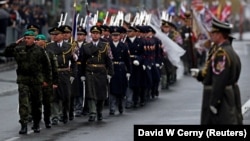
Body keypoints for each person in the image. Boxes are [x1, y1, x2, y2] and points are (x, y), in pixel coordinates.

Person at [190, 18, 243, 125]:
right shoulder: (229, 51)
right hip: (228, 94)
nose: (211, 35)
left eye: (213, 33)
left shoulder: (221, 54)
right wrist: (200, 75)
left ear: (219, 34)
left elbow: (219, 80)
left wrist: (214, 102)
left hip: (222, 97)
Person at [4, 30, 52, 134]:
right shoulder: (19, 49)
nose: (27, 40)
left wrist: (47, 81)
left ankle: (36, 123)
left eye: (29, 38)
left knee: (36, 103)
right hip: (23, 80)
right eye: (25, 38)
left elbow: (47, 67)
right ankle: (24, 124)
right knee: (23, 103)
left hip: (36, 80)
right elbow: (6, 53)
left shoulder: (39, 51)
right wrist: (15, 43)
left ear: (34, 39)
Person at [80, 25, 114, 122]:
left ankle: (99, 111)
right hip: (90, 71)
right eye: (93, 33)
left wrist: (110, 73)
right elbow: (83, 61)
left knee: (101, 94)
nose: (95, 35)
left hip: (101, 71)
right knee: (90, 93)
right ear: (91, 34)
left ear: (100, 34)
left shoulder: (105, 46)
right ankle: (92, 113)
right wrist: (82, 74)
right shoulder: (86, 46)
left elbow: (109, 60)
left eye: (97, 33)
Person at [46, 26, 77, 125]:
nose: (54, 36)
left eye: (56, 34)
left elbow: (74, 62)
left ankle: (64, 114)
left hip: (65, 73)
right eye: (53, 35)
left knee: (66, 96)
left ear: (62, 35)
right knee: (54, 96)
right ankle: (55, 116)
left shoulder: (69, 46)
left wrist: (73, 74)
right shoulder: (49, 46)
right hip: (53, 73)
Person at [35, 34, 58, 128]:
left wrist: (55, 82)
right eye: (36, 40)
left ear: (44, 41)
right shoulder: (32, 52)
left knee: (47, 103)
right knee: (36, 103)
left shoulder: (49, 53)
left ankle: (47, 120)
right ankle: (36, 121)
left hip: (47, 81)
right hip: (36, 82)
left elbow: (54, 68)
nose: (37, 41)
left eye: (39, 40)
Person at [108, 26, 131, 115]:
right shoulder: (108, 45)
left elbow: (127, 60)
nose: (115, 37)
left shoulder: (124, 46)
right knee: (112, 90)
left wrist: (129, 71)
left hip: (121, 69)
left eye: (117, 35)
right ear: (111, 36)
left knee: (121, 89)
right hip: (112, 68)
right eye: (114, 35)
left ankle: (120, 105)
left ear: (120, 36)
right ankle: (112, 108)